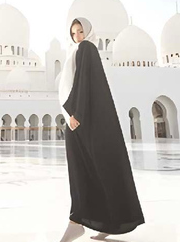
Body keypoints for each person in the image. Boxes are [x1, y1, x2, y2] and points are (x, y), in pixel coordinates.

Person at [58, 17, 144, 242]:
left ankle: (76, 222)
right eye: (74, 32)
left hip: (79, 121)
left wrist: (75, 114)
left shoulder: (86, 48)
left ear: (89, 32)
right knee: (97, 170)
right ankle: (109, 222)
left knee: (81, 172)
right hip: (77, 118)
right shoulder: (80, 50)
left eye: (81, 31)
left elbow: (84, 84)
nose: (78, 36)